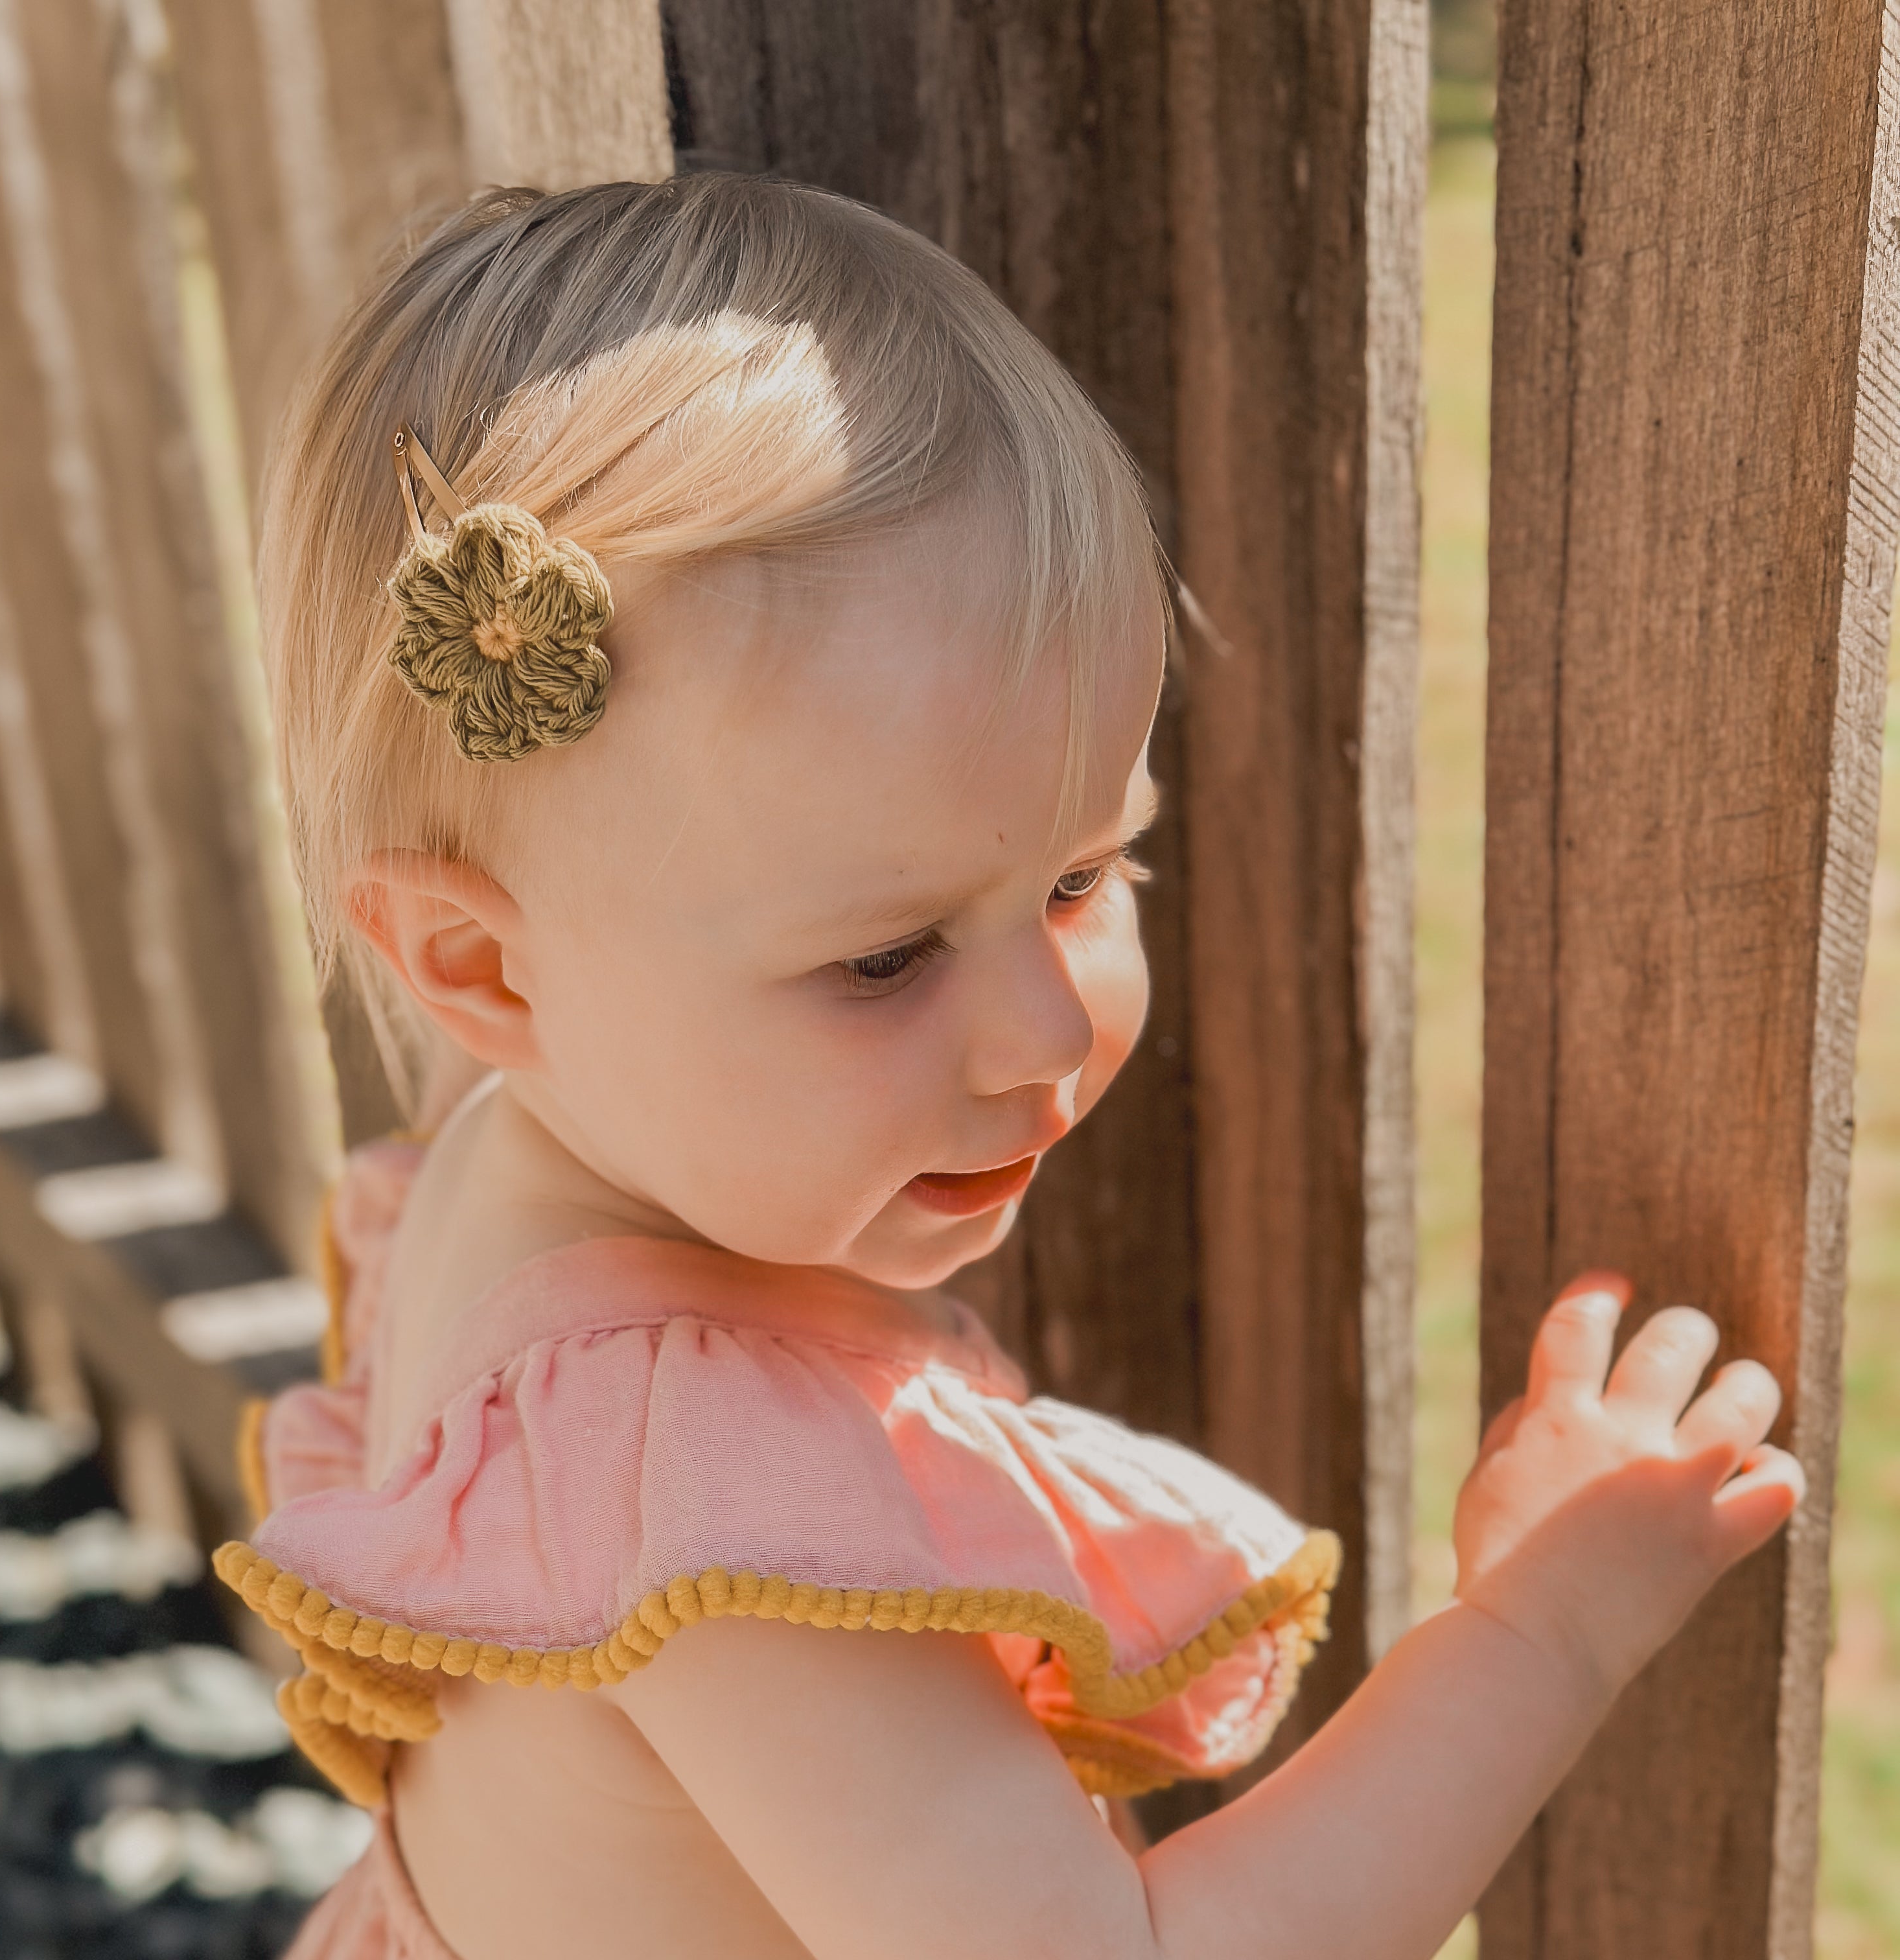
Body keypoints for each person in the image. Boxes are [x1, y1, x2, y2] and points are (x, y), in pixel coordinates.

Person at [220, 174, 1804, 1960]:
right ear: (478, 965)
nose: (1051, 1032)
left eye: (1082, 873)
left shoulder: (493, 1153)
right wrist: (1539, 1633)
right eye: (884, 957)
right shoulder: (707, 1522)